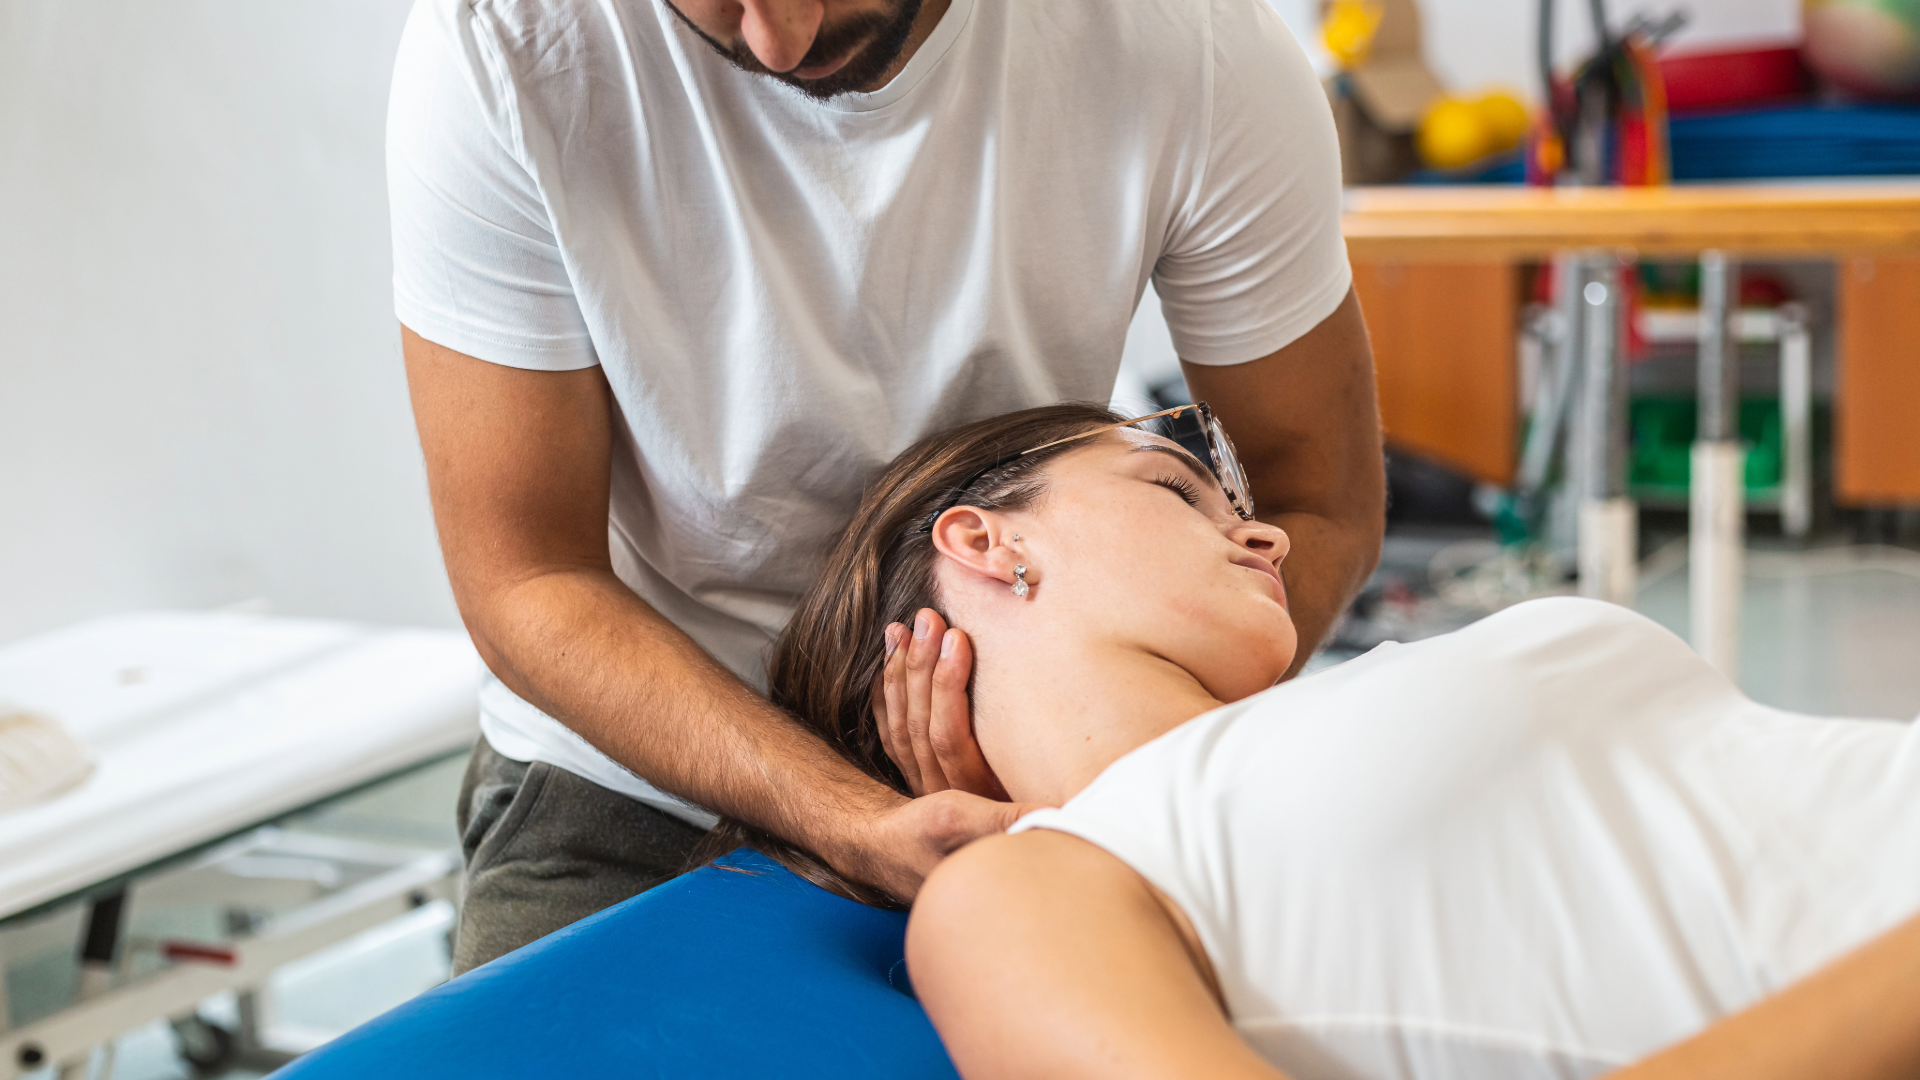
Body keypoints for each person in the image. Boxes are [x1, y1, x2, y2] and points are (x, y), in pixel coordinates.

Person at [388, 0, 1386, 972]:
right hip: (640, 773)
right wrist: (861, 817)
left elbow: (1318, 495)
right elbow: (526, 580)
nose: (778, 37)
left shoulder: (1192, 44)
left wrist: (1071, 754)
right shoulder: (507, 46)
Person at [727, 401, 1920, 1080]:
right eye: (1177, 490)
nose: (1272, 542)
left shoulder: (1342, 700)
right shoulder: (1037, 887)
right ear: (986, 544)